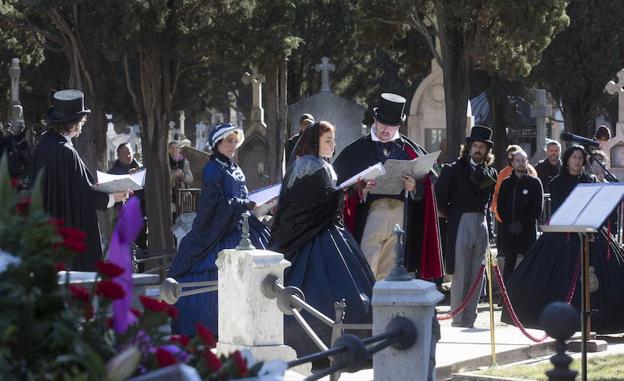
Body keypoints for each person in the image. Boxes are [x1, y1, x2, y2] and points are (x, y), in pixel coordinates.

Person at [270, 121, 374, 356]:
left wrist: (349, 190)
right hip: (312, 238)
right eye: (328, 140)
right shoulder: (311, 166)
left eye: (333, 140)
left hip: (322, 232)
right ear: (314, 142)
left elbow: (323, 201)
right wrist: (347, 190)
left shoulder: (315, 164)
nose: (333, 145)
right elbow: (314, 205)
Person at [505, 145, 624, 333]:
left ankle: (600, 323)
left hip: (593, 232)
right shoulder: (558, 182)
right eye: (574, 157)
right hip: (564, 234)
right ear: (567, 160)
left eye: (580, 158)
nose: (577, 161)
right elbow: (561, 210)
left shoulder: (590, 179)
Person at [167, 123, 270, 337]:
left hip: (243, 226)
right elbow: (211, 204)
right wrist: (242, 204)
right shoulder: (213, 168)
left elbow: (241, 196)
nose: (233, 145)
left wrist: (253, 203)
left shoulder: (234, 167)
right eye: (228, 141)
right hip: (222, 231)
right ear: (217, 144)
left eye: (234, 141)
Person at [333, 93, 443, 281]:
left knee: (391, 275)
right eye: (383, 123)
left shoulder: (409, 149)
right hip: (370, 217)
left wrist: (413, 187)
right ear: (374, 120)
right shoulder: (356, 151)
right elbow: (338, 188)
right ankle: (365, 310)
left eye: (392, 125)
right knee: (366, 271)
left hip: (401, 220)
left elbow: (427, 187)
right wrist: (361, 190)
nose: (386, 129)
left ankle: (385, 310)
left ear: (399, 126)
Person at [32, 89, 128, 271]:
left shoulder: (43, 146)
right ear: (73, 123)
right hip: (67, 231)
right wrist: (112, 198)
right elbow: (83, 194)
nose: (82, 126)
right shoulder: (66, 152)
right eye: (81, 121)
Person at [435, 125, 498, 328]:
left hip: (481, 223)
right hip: (460, 221)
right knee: (461, 273)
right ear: (469, 147)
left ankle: (470, 318)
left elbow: (487, 201)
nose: (478, 150)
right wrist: (451, 214)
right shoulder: (453, 169)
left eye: (482, 147)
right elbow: (440, 198)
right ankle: (458, 318)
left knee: (478, 273)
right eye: (475, 146)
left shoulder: (490, 172)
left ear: (487, 151)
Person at [496, 149, 543, 285]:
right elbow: (501, 207)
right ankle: (506, 297)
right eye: (517, 160)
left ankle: (528, 294)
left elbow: (537, 209)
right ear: (512, 163)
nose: (521, 163)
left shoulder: (535, 183)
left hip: (527, 231)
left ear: (527, 162)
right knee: (509, 264)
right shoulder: (505, 183)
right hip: (509, 231)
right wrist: (509, 224)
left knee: (529, 264)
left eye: (523, 160)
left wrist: (522, 224)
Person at [108, 143, 147, 252]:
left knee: (141, 247)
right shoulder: (113, 173)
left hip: (140, 214)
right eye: (124, 153)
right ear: (118, 155)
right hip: (121, 215)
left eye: (129, 153)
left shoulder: (141, 169)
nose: (128, 156)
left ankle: (142, 268)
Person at [491, 145, 537, 224]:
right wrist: (496, 210)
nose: (519, 163)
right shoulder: (503, 173)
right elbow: (496, 193)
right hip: (505, 220)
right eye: (511, 156)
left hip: (527, 221)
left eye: (521, 160)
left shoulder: (531, 171)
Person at [169, 141, 193, 218]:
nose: (174, 150)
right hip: (170, 195)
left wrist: (182, 175)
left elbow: (190, 179)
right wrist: (173, 175)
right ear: (168, 150)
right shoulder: (165, 162)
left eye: (176, 147)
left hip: (183, 195)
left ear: (179, 150)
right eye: (172, 148)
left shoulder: (184, 162)